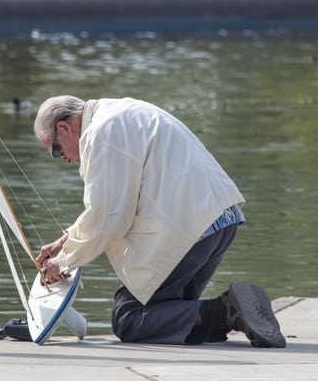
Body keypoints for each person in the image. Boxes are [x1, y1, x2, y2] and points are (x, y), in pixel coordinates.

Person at [33, 95, 286, 347]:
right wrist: (64, 241)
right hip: (221, 218)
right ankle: (235, 313)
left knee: (129, 319)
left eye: (56, 150)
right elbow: (113, 205)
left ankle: (225, 309)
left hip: (191, 228)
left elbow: (109, 217)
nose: (65, 159)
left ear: (63, 128)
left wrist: (64, 261)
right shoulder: (120, 112)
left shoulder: (99, 134)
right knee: (169, 313)